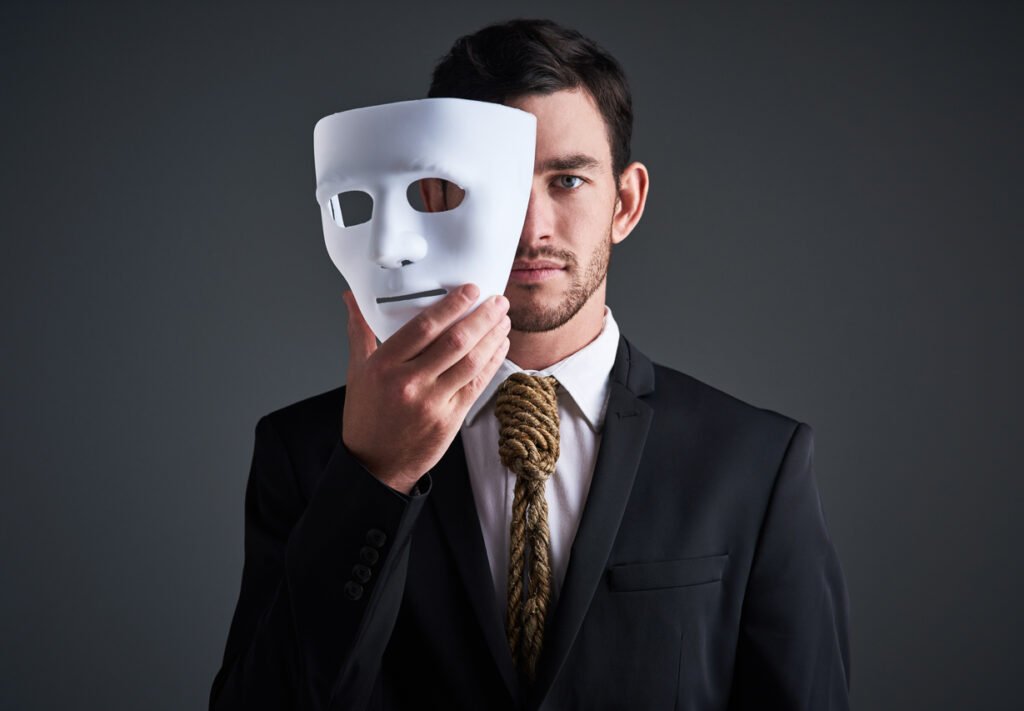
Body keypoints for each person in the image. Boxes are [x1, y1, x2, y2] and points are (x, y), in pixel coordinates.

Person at [210, 18, 850, 711]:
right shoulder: (310, 455)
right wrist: (376, 479)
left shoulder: (753, 462)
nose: (530, 227)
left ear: (625, 203)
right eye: (492, 187)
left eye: (568, 180)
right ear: (429, 198)